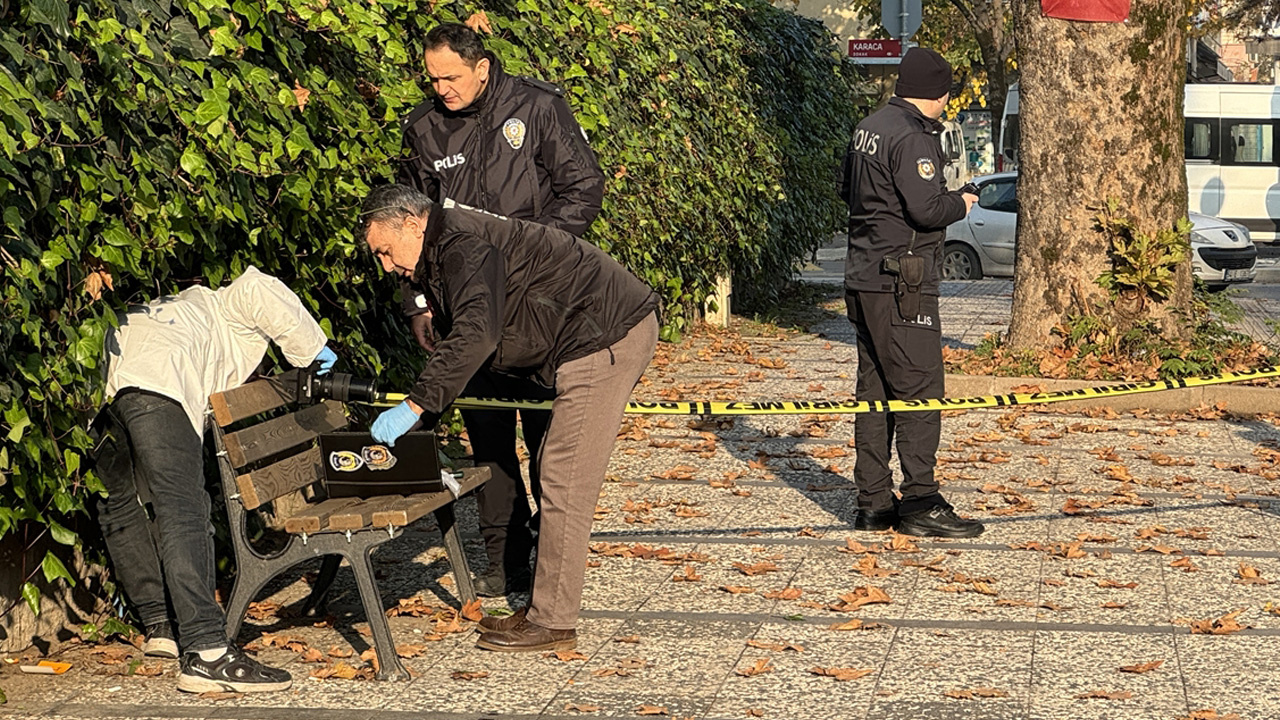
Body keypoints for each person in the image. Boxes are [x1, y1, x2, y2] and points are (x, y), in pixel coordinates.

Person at [360, 184, 657, 652]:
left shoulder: (462, 245)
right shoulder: (441, 249)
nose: (386, 265)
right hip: (585, 333)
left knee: (562, 476)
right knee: (557, 467)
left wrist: (415, 406)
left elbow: (477, 333)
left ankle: (553, 622)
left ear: (414, 224)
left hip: (603, 335)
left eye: (385, 250)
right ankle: (542, 608)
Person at [397, 22, 607, 597]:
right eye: (433, 78)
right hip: (464, 309)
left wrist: (530, 250)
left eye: (452, 77)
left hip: (539, 306)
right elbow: (408, 222)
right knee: (488, 440)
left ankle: (553, 551)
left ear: (482, 68)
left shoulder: (539, 108)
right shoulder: (423, 128)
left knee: (547, 439)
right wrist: (417, 301)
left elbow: (584, 188)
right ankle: (504, 556)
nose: (442, 88)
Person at [94, 267, 336, 693]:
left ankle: (159, 627)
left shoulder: (187, 310)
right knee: (184, 508)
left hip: (102, 376)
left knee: (119, 502)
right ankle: (207, 652)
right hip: (157, 376)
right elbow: (259, 286)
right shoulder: (228, 304)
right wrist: (317, 355)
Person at [837, 47, 984, 539]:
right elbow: (925, 210)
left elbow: (848, 192)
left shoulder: (869, 127)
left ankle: (874, 501)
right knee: (920, 389)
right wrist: (961, 204)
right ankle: (921, 500)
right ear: (938, 94)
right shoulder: (913, 136)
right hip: (904, 283)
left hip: (863, 276)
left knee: (874, 392)